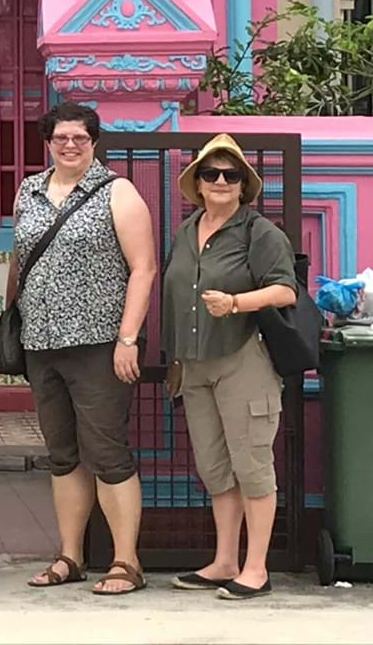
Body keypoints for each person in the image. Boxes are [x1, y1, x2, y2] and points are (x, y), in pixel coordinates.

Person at [9, 101, 156, 596]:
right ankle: (70, 554)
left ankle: (125, 560)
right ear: (47, 142)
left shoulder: (117, 191)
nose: (69, 145)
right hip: (41, 342)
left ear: (94, 142)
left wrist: (128, 338)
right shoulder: (28, 190)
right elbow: (20, 262)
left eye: (80, 138)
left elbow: (143, 267)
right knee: (62, 454)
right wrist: (10, 320)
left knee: (107, 451)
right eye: (60, 138)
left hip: (98, 342)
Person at [165, 134, 297, 600]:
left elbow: (285, 290)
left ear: (244, 185)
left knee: (253, 466)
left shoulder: (260, 232)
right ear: (197, 183)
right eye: (210, 173)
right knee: (216, 468)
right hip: (196, 365)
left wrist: (237, 302)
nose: (220, 181)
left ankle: (255, 569)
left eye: (231, 174)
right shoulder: (186, 231)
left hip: (244, 360)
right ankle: (225, 561)